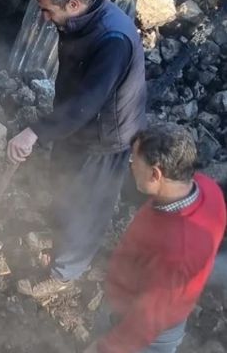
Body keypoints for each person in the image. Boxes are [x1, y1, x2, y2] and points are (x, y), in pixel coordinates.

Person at [7, 0, 146, 297]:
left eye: (47, 11)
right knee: (64, 187)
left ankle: (65, 273)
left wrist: (35, 131)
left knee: (87, 207)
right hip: (76, 125)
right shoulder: (79, 18)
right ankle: (58, 239)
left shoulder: (113, 41)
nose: (42, 18)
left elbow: (88, 103)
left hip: (106, 137)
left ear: (72, 4)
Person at [84, 123, 226, 353]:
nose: (131, 167)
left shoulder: (176, 253)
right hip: (155, 300)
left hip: (147, 329)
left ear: (156, 173)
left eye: (134, 162)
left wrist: (105, 348)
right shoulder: (208, 189)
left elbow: (148, 320)